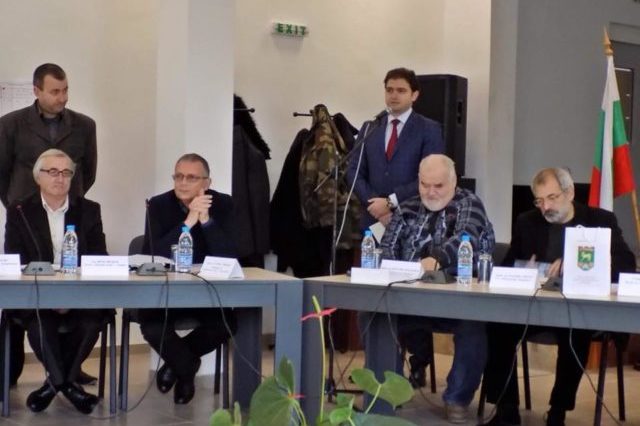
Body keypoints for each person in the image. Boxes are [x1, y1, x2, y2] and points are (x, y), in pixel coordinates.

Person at [480, 167, 636, 426]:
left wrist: (576, 263)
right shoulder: (527, 221)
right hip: (535, 307)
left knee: (577, 331)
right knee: (497, 327)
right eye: (539, 201)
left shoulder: (600, 220)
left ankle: (558, 410)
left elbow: (625, 264)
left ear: (570, 193)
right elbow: (508, 266)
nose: (546, 207)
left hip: (579, 309)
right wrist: (523, 269)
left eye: (552, 198)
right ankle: (507, 409)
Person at [0, 63, 98, 387]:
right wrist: (18, 204)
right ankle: (14, 370)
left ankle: (66, 371)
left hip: (69, 214)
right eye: (55, 91)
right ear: (36, 91)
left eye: (65, 90)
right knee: (23, 292)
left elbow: (88, 172)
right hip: (27, 217)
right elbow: (2, 172)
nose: (62, 97)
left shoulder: (84, 125)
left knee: (77, 296)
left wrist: (64, 196)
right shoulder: (11, 124)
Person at [381, 154, 495, 423]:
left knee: (474, 324)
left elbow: (467, 236)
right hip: (409, 299)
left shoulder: (469, 203)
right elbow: (388, 246)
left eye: (438, 186)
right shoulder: (407, 208)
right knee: (372, 315)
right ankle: (390, 389)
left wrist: (436, 259)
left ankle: (457, 398)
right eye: (424, 184)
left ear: (453, 183)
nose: (430, 192)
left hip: (460, 301)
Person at [4, 149, 110, 414]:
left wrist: (70, 295)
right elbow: (15, 260)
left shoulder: (89, 210)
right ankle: (69, 386)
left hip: (79, 295)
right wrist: (52, 295)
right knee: (40, 322)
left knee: (94, 318)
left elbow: (99, 258)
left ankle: (54, 385)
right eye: (52, 172)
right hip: (37, 296)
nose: (59, 178)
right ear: (37, 177)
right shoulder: (20, 211)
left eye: (66, 172)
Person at [139, 153, 237, 404]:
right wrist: (189, 221)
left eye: (191, 178)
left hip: (205, 293)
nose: (182, 182)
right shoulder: (158, 205)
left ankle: (177, 366)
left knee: (227, 323)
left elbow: (229, 256)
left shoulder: (223, 204)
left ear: (207, 183)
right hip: (166, 292)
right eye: (178, 176)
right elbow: (153, 254)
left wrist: (206, 221)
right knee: (151, 326)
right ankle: (187, 367)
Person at [347, 67, 443, 230]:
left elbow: (430, 176)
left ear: (414, 95)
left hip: (411, 218)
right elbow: (354, 172)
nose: (394, 95)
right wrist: (376, 206)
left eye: (401, 91)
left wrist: (390, 202)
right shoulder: (370, 127)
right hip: (373, 219)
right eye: (389, 90)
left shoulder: (429, 129)